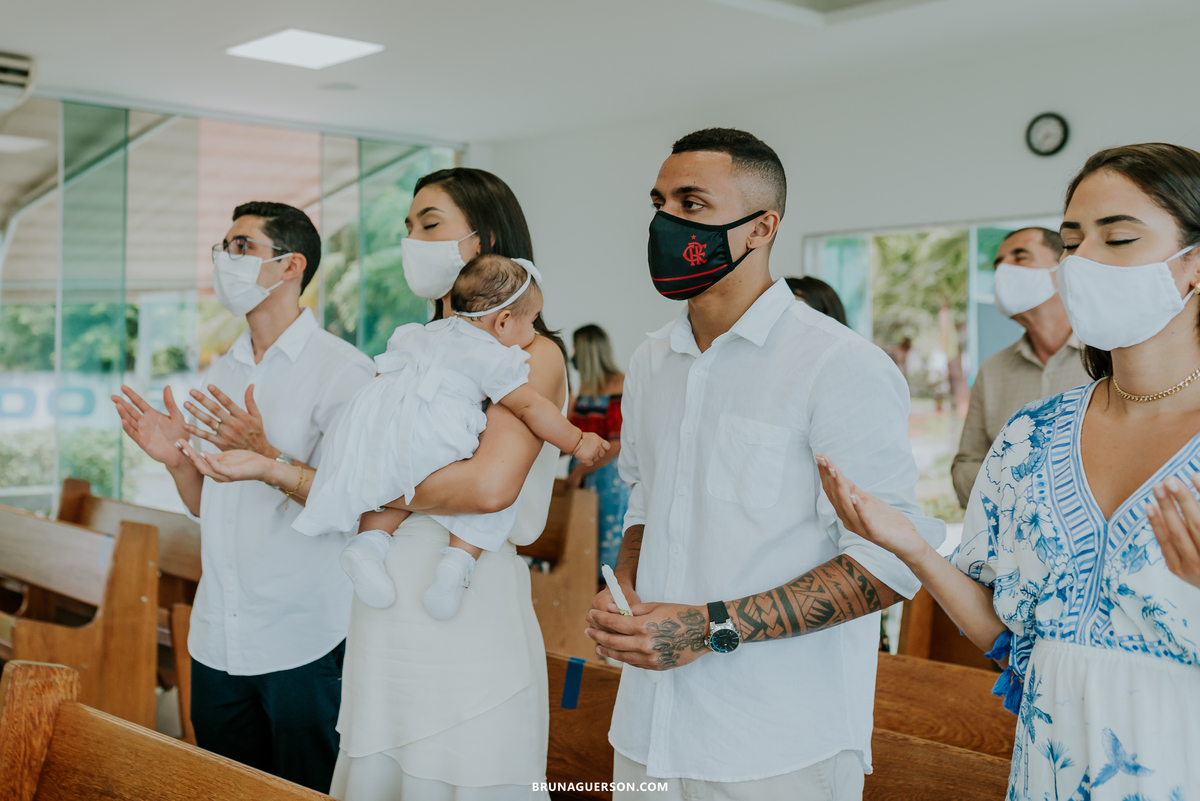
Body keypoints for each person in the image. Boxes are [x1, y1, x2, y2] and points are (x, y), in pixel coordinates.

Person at [817, 143, 1200, 801]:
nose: (1082, 263)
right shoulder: (1031, 436)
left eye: (1118, 238)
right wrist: (911, 544)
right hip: (1045, 774)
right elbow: (1008, 636)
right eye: (1072, 242)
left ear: (1193, 264)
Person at [176, 168, 564, 801]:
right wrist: (271, 466)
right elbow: (348, 480)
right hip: (383, 617)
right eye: (408, 227)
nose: (411, 241)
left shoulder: (531, 354)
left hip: (465, 605)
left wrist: (363, 487)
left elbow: (488, 488)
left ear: (486, 240)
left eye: (429, 225)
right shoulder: (411, 353)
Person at [584, 128, 944, 800]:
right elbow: (646, 498)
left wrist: (709, 627)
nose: (666, 222)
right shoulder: (651, 361)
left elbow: (890, 563)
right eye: (660, 203)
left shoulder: (838, 366)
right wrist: (626, 582)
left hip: (775, 742)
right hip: (647, 731)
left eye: (692, 204)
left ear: (761, 227)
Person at [112, 202, 375, 792]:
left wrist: (267, 454)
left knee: (307, 789)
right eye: (222, 248)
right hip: (218, 636)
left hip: (303, 635)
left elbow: (357, 508)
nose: (223, 260)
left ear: (291, 266)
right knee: (225, 788)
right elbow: (211, 507)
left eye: (240, 247)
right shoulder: (226, 369)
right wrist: (177, 461)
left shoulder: (343, 372)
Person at [295, 254, 607, 619]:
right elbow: (530, 407)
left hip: (382, 425)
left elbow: (386, 376)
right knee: (484, 480)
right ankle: (457, 564)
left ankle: (367, 544)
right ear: (503, 321)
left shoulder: (418, 333)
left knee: (396, 473)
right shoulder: (493, 355)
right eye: (532, 321)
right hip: (439, 430)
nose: (534, 332)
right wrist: (577, 441)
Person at [951, 227, 1089, 507]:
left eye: (1020, 257)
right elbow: (964, 471)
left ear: (1063, 268)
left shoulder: (1112, 358)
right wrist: (1025, 490)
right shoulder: (992, 371)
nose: (1004, 271)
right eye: (998, 264)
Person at [566, 323, 629, 578]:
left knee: (605, 545)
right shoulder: (585, 388)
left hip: (606, 478)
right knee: (581, 544)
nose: (573, 356)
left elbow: (616, 443)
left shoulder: (619, 385)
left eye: (575, 349)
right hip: (583, 476)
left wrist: (578, 473)